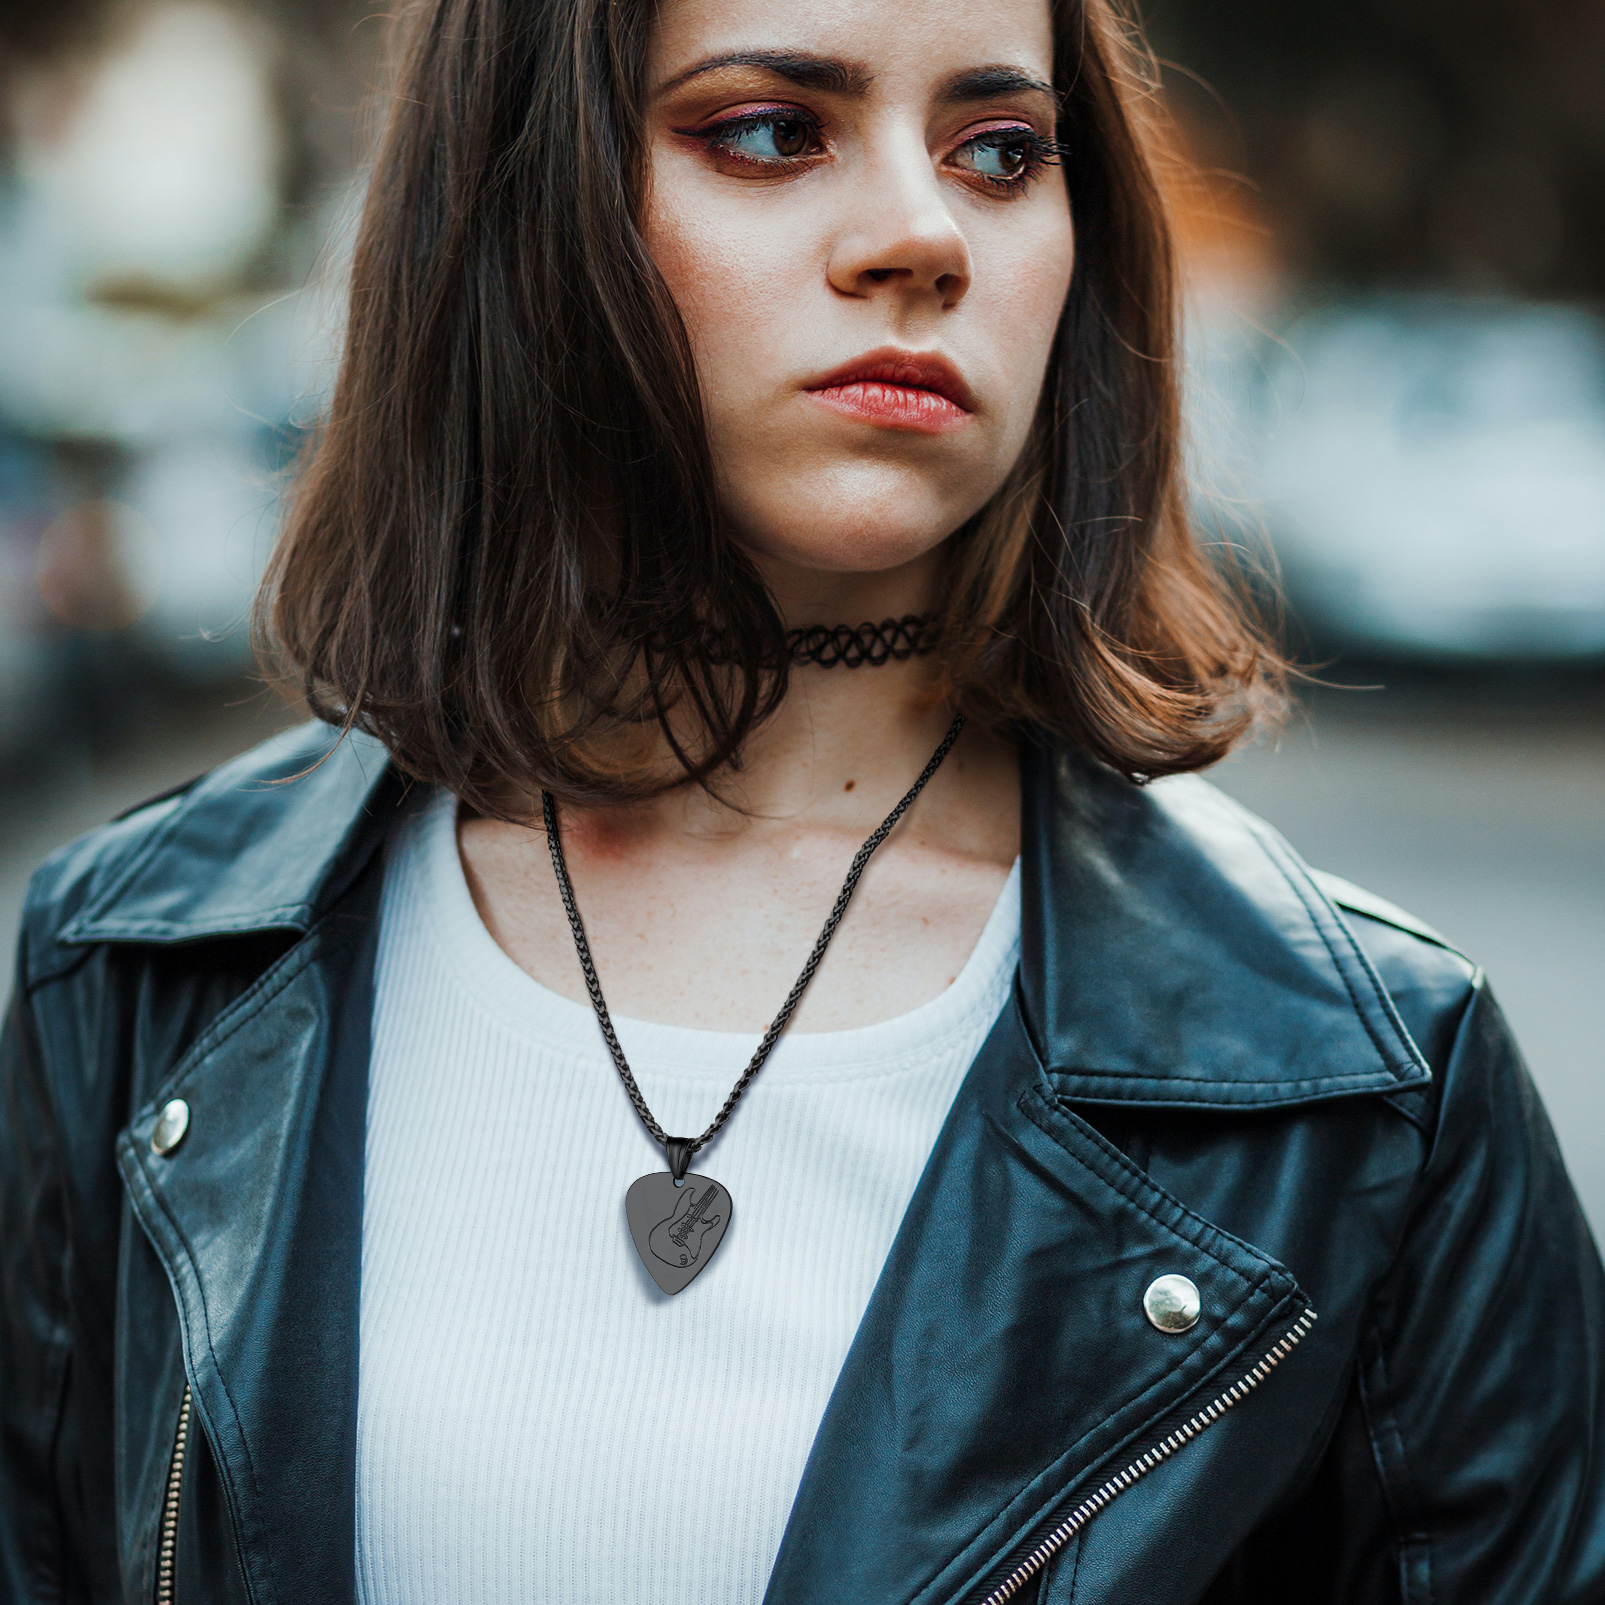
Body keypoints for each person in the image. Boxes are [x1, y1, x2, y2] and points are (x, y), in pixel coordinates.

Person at [3, 0, 1603, 1596]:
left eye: (999, 150)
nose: (920, 234)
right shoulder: (138, 969)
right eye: (770, 129)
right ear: (521, 203)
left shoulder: (1360, 1089)